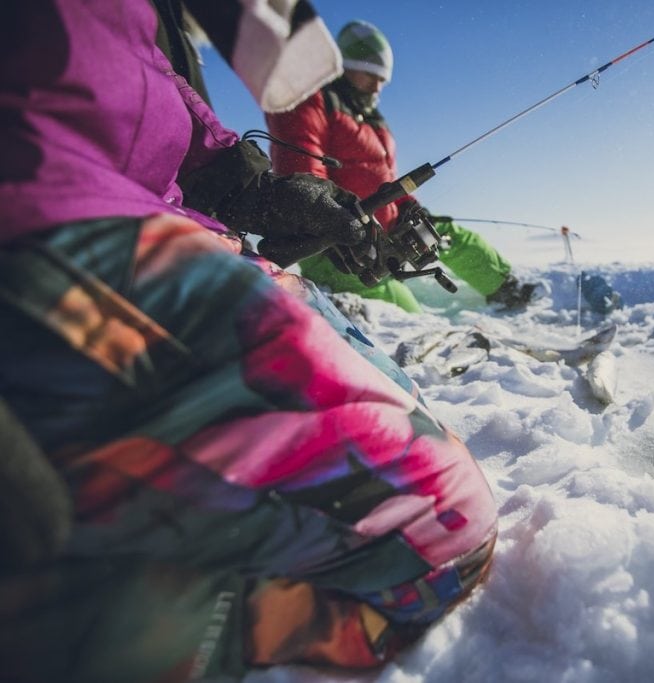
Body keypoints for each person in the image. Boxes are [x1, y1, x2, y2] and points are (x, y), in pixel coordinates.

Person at [0, 2, 497, 681]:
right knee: (447, 532)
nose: (374, 85)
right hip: (59, 244)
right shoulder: (327, 104)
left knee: (407, 407)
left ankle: (162, 534)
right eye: (368, 73)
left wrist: (248, 187)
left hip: (173, 220)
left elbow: (137, 77)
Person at [264, 20, 537, 314]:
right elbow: (302, 171)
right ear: (343, 67)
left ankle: (508, 290)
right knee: (404, 310)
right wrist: (331, 223)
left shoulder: (372, 120)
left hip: (387, 226)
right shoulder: (311, 100)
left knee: (446, 236)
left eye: (381, 78)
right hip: (336, 246)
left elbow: (384, 178)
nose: (377, 86)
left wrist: (407, 206)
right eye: (369, 74)